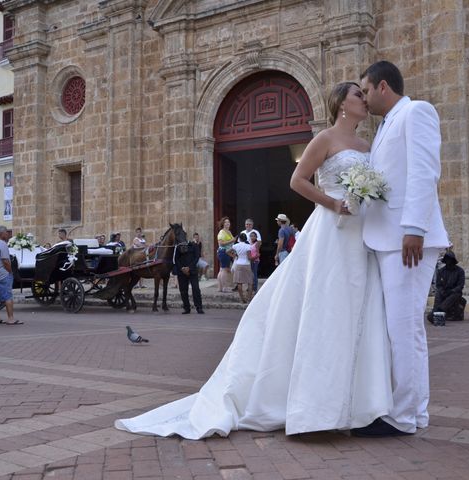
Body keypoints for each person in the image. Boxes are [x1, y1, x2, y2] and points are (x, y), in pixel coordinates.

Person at [115, 81, 392, 439]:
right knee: (324, 309)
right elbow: (297, 180)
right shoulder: (325, 138)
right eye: (358, 95)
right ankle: (313, 407)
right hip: (331, 230)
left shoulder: (367, 145)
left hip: (359, 236)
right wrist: (333, 202)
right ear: (341, 103)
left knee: (358, 312)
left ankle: (360, 405)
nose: (364, 100)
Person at [359, 60, 449, 436]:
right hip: (386, 240)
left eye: (365, 91)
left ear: (383, 87)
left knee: (404, 327)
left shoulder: (416, 111)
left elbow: (425, 170)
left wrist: (414, 228)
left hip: (407, 242)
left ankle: (404, 416)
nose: (362, 99)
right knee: (400, 328)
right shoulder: (382, 128)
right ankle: (415, 411)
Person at [0, 225, 22, 325]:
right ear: (2, 233)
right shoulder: (2, 244)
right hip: (2, 274)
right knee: (8, 296)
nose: (8, 234)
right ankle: (11, 318)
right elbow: (5, 261)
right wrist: (10, 271)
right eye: (6, 232)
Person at [427, 251, 466, 323]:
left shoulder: (460, 271)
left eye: (450, 260)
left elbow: (460, 285)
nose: (449, 262)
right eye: (447, 260)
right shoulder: (441, 271)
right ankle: (435, 311)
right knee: (438, 293)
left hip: (454, 292)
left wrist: (452, 291)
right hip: (444, 291)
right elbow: (438, 285)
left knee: (455, 294)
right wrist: (442, 291)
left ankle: (439, 310)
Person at [173, 240, 204, 314]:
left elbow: (196, 258)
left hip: (192, 270)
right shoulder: (178, 247)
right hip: (182, 271)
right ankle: (186, 308)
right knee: (183, 290)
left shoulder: (194, 245)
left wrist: (189, 267)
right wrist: (182, 268)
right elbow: (176, 259)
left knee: (196, 289)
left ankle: (199, 307)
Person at [231, 232, 254, 303]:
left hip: (238, 264)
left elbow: (227, 251)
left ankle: (242, 299)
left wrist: (234, 256)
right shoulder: (248, 246)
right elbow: (249, 257)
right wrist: (255, 257)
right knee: (249, 282)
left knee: (239, 282)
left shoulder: (236, 246)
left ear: (239, 239)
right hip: (246, 264)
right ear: (246, 239)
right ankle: (249, 298)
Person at [216, 217, 235, 292]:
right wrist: (231, 240)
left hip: (227, 252)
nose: (227, 223)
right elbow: (221, 243)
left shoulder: (228, 232)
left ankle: (220, 287)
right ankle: (224, 287)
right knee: (224, 270)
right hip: (223, 252)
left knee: (221, 270)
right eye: (225, 222)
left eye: (228, 222)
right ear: (223, 224)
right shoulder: (222, 232)